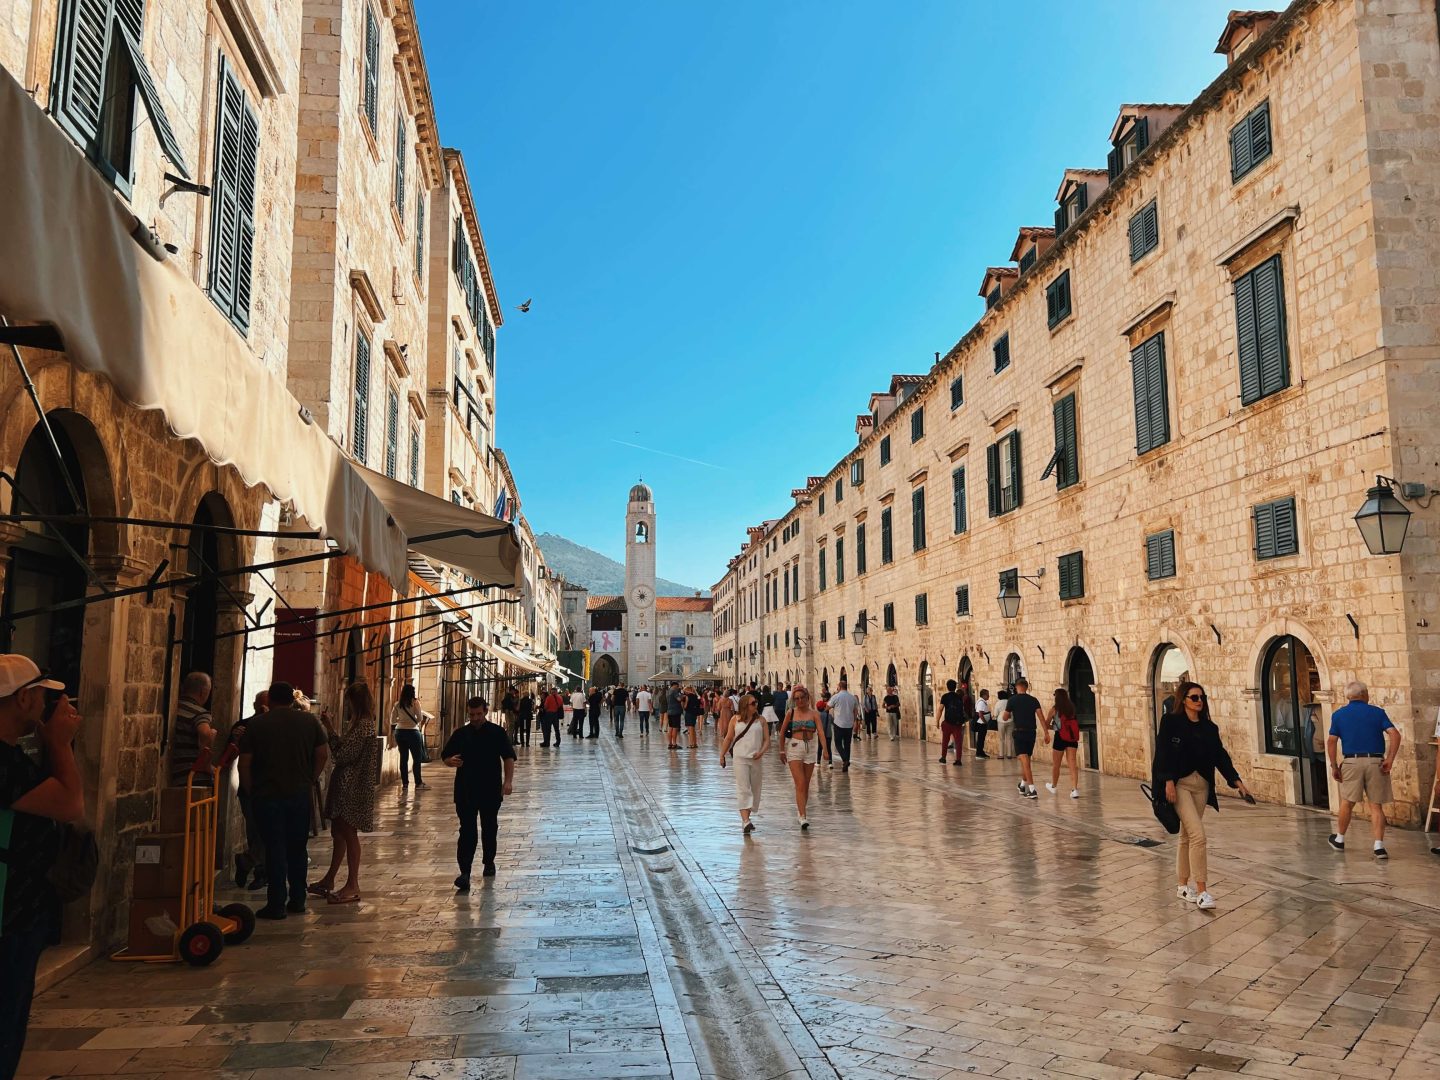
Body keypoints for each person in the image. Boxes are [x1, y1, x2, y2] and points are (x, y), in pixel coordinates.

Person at [0, 656, 79, 1079]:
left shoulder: (12, 757)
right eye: (43, 696)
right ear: (23, 697)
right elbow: (69, 804)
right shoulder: (4, 763)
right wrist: (61, 744)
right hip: (8, 912)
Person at [1155, 681, 1251, 909]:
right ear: (1183, 700)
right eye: (1194, 697)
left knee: (1188, 836)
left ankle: (1181, 886)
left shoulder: (1209, 728)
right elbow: (1163, 752)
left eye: (1202, 697)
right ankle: (1202, 892)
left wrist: (1237, 782)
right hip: (1180, 785)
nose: (1199, 701)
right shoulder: (1171, 723)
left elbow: (1220, 756)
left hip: (1201, 786)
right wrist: (1167, 781)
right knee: (1198, 835)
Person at [240, 681, 329, 920]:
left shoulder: (257, 724)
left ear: (269, 701)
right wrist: (310, 777)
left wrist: (250, 790)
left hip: (266, 795)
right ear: (291, 699)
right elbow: (322, 754)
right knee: (297, 847)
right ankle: (298, 899)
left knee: (274, 848)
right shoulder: (310, 722)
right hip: (298, 793)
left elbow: (245, 762)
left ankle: (276, 903)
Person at [310, 682, 380, 904]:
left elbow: (343, 755)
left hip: (353, 788)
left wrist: (329, 730)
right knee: (339, 832)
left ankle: (352, 885)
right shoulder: (360, 725)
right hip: (348, 786)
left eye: (349, 701)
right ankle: (329, 879)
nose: (347, 706)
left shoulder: (363, 726)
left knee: (349, 833)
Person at [442, 697, 516, 890]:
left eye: (478, 714)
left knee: (489, 827)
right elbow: (446, 756)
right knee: (467, 831)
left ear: (485, 711)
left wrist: (508, 781)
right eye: (471, 714)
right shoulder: (460, 733)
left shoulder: (497, 732)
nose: (475, 718)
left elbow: (508, 757)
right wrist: (450, 761)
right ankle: (465, 872)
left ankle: (488, 862)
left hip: (490, 789)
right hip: (465, 790)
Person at [1326, 680, 1402, 859]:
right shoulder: (1377, 713)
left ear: (1348, 696)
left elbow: (1331, 741)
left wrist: (1334, 765)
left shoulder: (1339, 715)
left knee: (1347, 802)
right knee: (1376, 805)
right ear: (1364, 695)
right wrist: (1390, 759)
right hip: (1375, 761)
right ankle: (1379, 846)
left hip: (1351, 762)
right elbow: (1394, 734)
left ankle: (1340, 839)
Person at [222, 691, 268, 890]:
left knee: (266, 832)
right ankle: (257, 869)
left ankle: (249, 863)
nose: (263, 710)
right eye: (260, 706)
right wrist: (236, 739)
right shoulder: (243, 726)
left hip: (269, 786)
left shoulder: (273, 726)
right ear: (254, 705)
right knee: (256, 831)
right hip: (251, 788)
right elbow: (230, 755)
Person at [721, 693, 770, 832]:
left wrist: (761, 752)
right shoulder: (735, 720)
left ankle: (746, 819)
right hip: (740, 758)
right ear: (745, 706)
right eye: (753, 703)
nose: (756, 705)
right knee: (743, 788)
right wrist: (722, 755)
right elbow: (729, 738)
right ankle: (746, 821)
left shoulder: (761, 720)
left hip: (756, 758)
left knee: (755, 789)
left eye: (756, 703)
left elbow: (767, 740)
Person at [779, 685, 827, 828]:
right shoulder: (791, 713)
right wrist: (782, 751)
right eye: (796, 698)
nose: (799, 701)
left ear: (807, 698)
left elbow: (821, 732)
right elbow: (782, 733)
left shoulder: (814, 714)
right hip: (795, 747)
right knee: (800, 783)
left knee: (805, 784)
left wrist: (825, 750)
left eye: (802, 698)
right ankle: (803, 816)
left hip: (810, 748)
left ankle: (801, 810)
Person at [170, 671, 216, 785]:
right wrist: (207, 765)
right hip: (194, 778)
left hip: (175, 776)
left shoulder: (174, 709)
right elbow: (205, 733)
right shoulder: (200, 713)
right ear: (203, 692)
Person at [1001, 679, 1043, 799]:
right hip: (1031, 733)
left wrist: (1009, 713)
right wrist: (1046, 732)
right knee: (1026, 761)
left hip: (1019, 733)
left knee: (1025, 761)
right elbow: (1041, 716)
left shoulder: (1012, 700)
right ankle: (1022, 785)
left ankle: (1032, 789)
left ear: (1016, 687)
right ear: (1027, 687)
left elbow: (1004, 717)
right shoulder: (1033, 700)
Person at [1044, 688, 1081, 798]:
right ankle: (1074, 790)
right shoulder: (1072, 708)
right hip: (1072, 738)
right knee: (1072, 764)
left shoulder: (1055, 709)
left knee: (1056, 764)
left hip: (1060, 737)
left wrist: (1053, 727)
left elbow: (1046, 724)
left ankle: (1054, 786)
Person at [390, 684, 427, 789]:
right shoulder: (415, 703)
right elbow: (419, 718)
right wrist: (410, 722)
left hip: (400, 732)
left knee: (403, 758)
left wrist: (401, 721)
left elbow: (392, 720)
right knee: (417, 758)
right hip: (412, 733)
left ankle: (405, 784)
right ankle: (418, 783)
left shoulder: (397, 704)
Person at [828, 678, 859, 772]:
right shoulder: (852, 697)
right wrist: (854, 721)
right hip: (849, 724)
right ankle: (846, 761)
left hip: (838, 723)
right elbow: (855, 710)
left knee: (838, 743)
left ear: (840, 687)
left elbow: (827, 707)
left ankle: (845, 759)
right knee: (847, 744)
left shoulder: (836, 697)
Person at [937, 680, 967, 766]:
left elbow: (940, 709)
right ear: (955, 687)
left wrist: (937, 721)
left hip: (948, 722)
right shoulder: (959, 697)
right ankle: (958, 760)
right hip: (957, 724)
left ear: (947, 686)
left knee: (945, 741)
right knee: (958, 742)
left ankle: (943, 758)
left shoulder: (945, 696)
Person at [965, 681, 988, 759]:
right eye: (987, 694)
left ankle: (981, 752)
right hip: (981, 723)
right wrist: (985, 722)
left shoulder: (981, 701)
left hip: (981, 722)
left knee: (981, 738)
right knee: (981, 738)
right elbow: (980, 713)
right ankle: (979, 753)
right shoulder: (981, 702)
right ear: (984, 695)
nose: (988, 696)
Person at [984, 690, 1007, 758]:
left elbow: (995, 714)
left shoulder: (998, 703)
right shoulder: (1009, 701)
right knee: (1009, 738)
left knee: (1001, 738)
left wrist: (995, 716)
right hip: (1010, 721)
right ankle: (1010, 754)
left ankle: (1001, 754)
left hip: (1001, 721)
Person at [665, 684, 684, 749]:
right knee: (675, 728)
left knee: (670, 728)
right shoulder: (674, 691)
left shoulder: (668, 691)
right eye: (677, 686)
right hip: (675, 712)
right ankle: (674, 744)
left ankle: (670, 743)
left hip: (669, 711)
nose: (678, 687)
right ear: (675, 685)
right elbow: (679, 699)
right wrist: (682, 695)